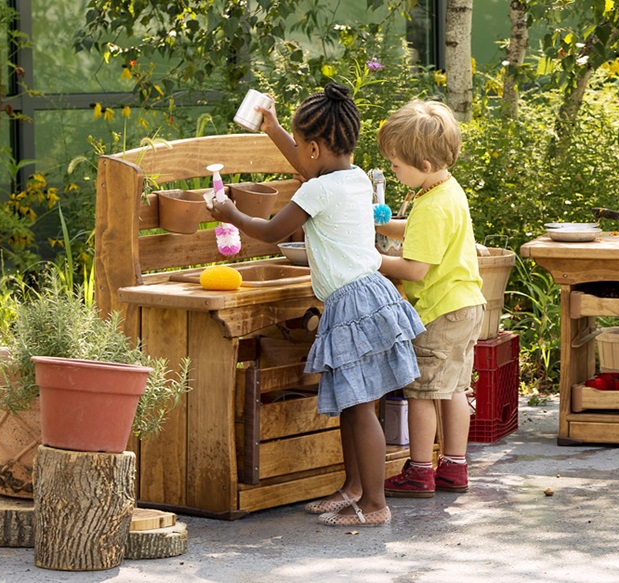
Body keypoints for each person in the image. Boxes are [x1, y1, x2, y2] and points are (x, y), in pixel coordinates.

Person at [208, 82, 424, 527]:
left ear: (313, 147)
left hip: (351, 305)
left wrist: (229, 214)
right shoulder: (354, 176)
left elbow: (270, 232)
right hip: (372, 294)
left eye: (301, 146)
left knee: (361, 407)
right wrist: (272, 128)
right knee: (353, 402)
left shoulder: (317, 191)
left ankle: (375, 506)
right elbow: (309, 168)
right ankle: (354, 489)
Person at [374, 99, 487, 498]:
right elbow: (420, 231)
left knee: (421, 392)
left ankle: (420, 470)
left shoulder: (432, 205)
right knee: (454, 388)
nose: (392, 171)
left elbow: (415, 269)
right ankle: (454, 467)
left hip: (439, 312)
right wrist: (385, 223)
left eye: (396, 165)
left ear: (422, 164)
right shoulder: (445, 190)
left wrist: (374, 259)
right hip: (466, 305)